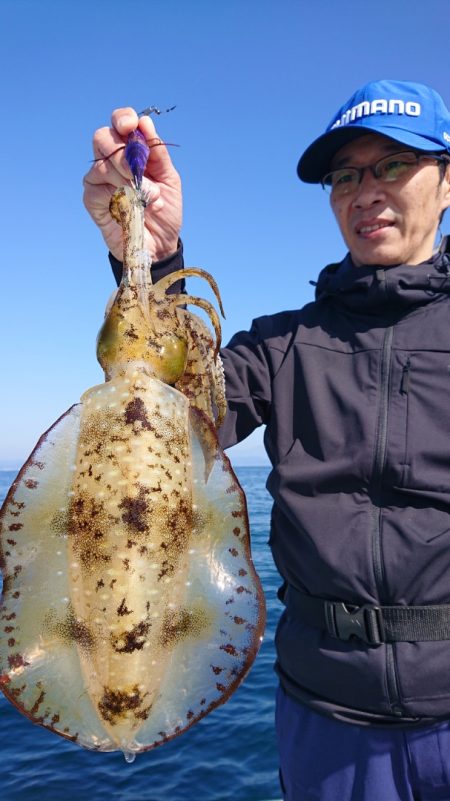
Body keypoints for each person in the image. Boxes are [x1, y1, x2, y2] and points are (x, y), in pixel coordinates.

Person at [83, 80, 450, 801]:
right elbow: (180, 416)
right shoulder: (283, 346)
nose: (365, 190)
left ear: (447, 182)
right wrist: (154, 262)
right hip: (329, 719)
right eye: (346, 175)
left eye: (393, 164)